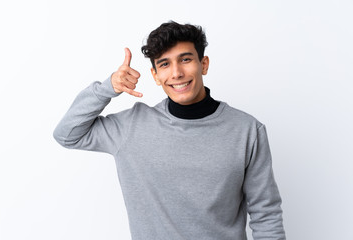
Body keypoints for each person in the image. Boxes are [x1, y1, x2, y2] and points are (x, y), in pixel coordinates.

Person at [53, 21, 286, 240]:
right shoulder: (131, 127)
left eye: (185, 60)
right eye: (164, 64)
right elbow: (67, 134)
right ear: (155, 75)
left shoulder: (247, 130)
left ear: (203, 64)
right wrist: (107, 89)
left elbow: (266, 213)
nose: (176, 73)